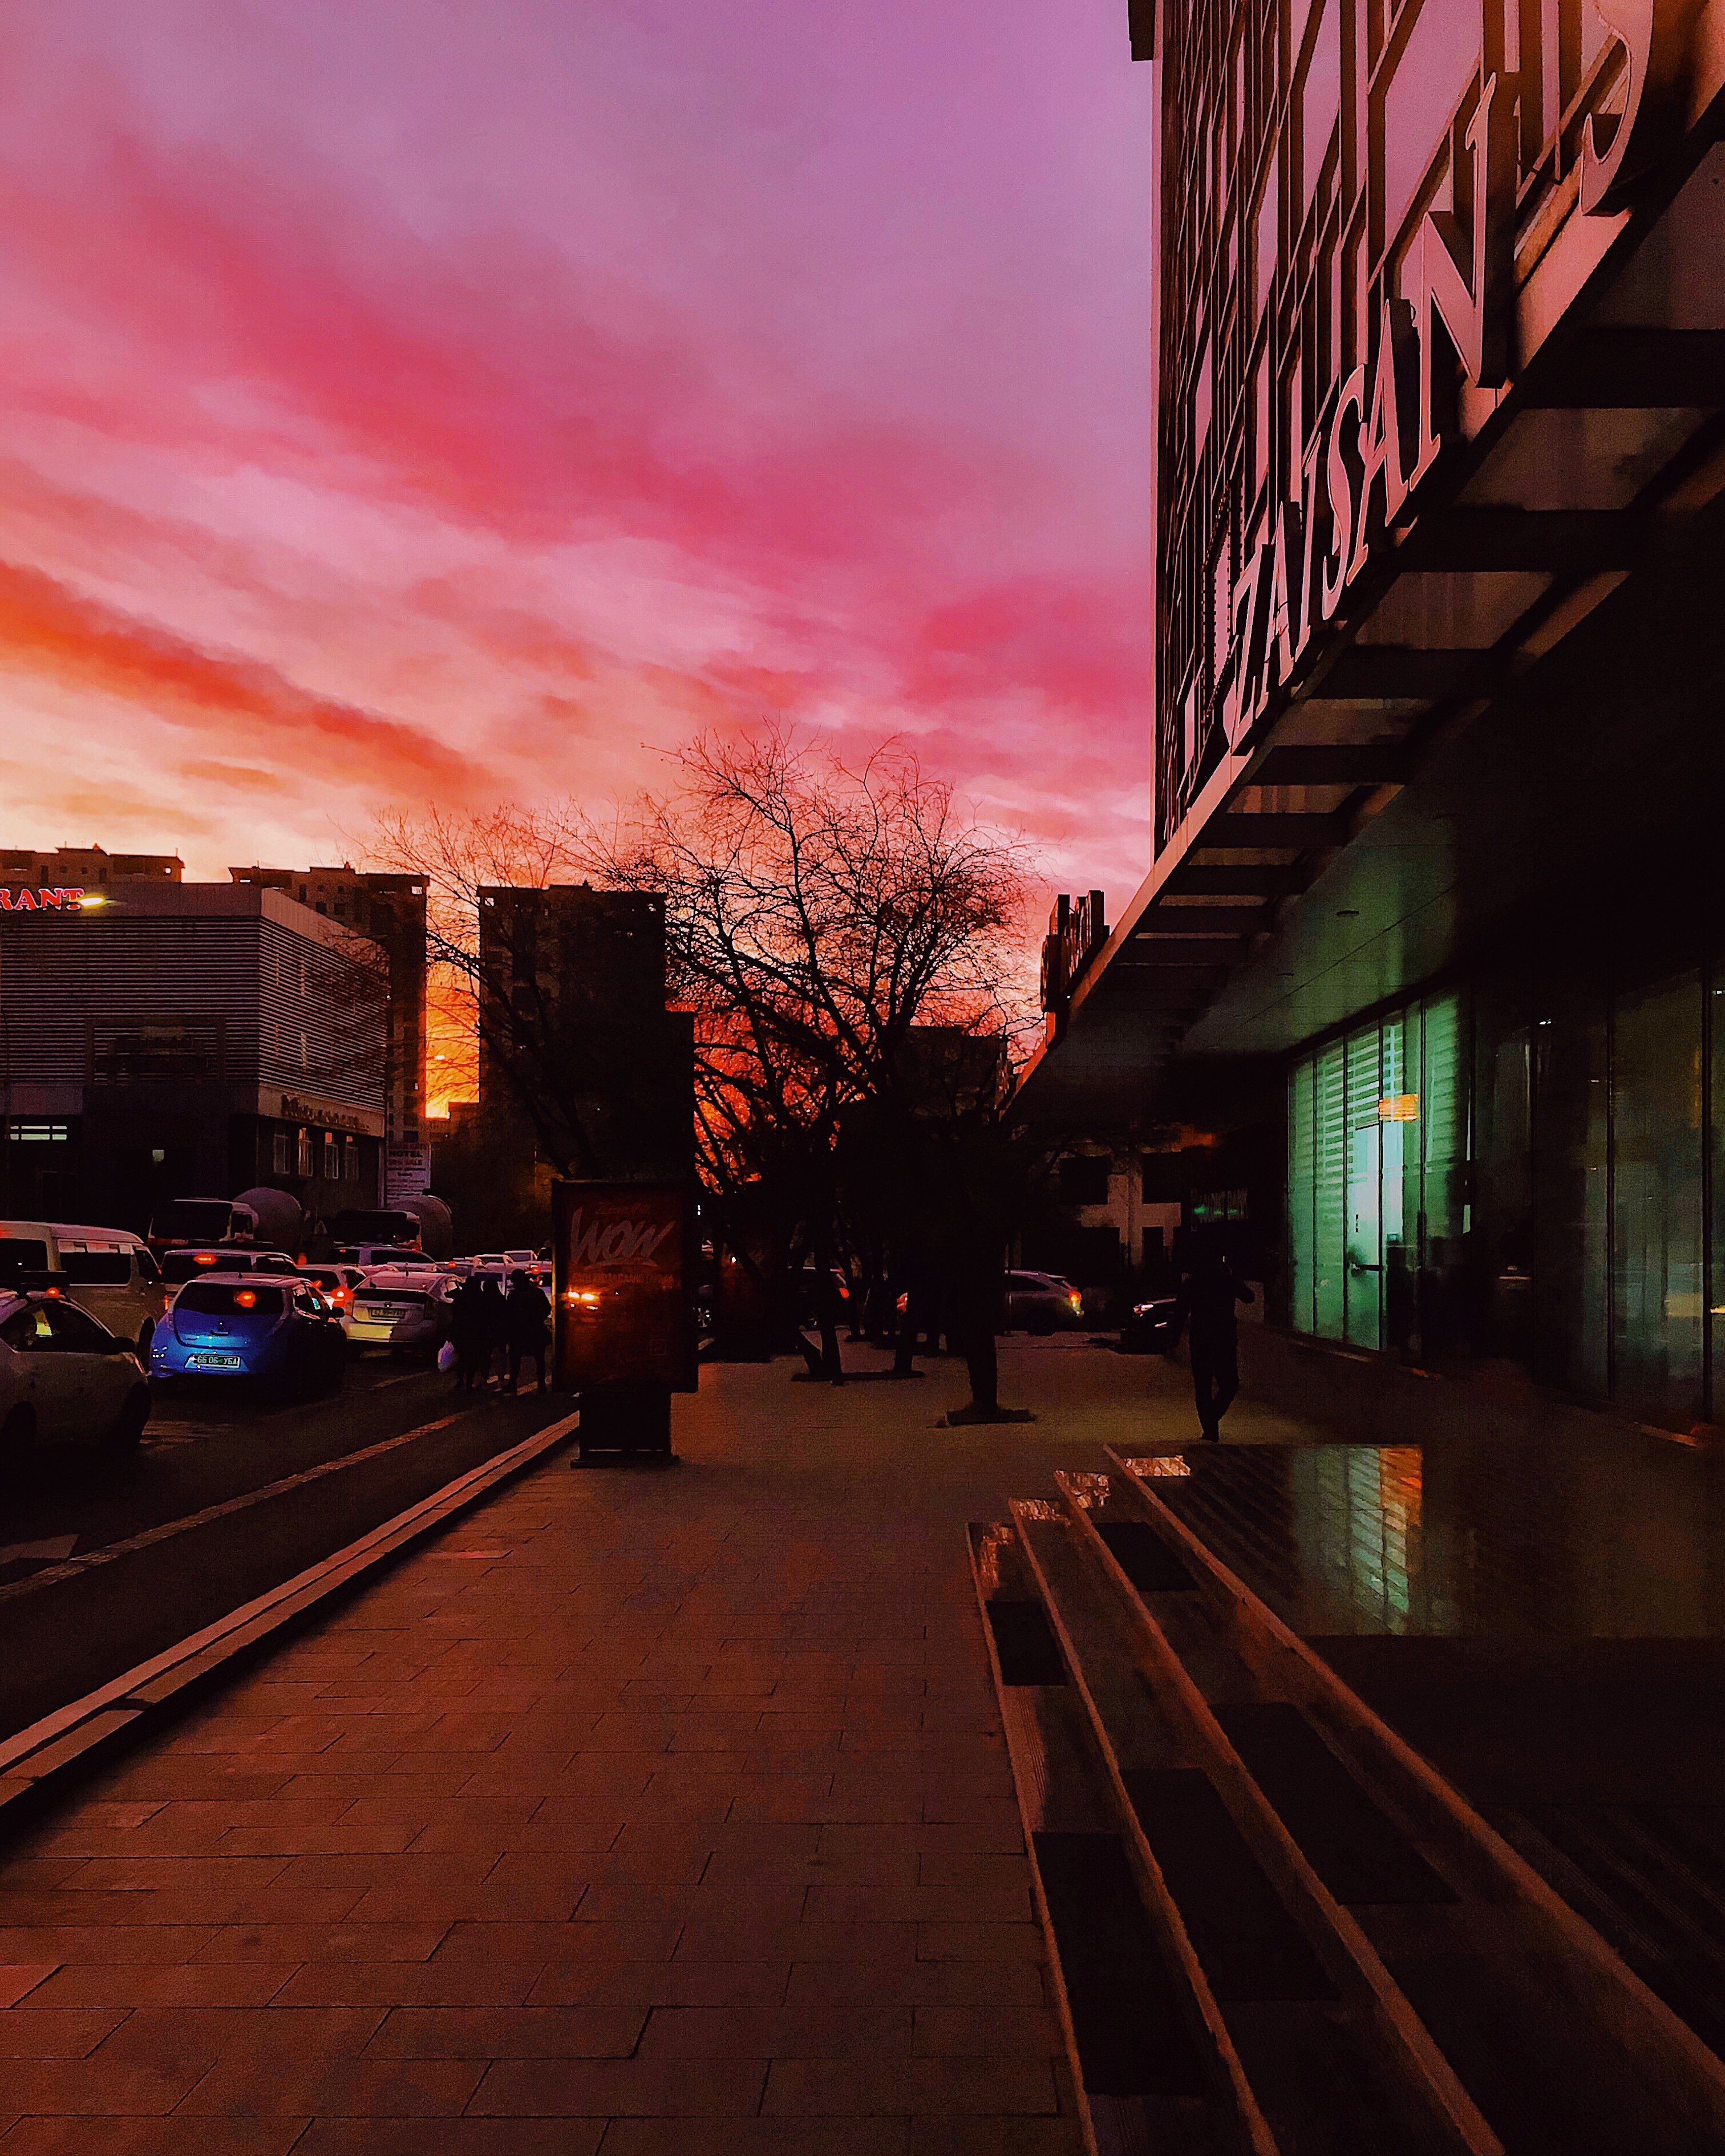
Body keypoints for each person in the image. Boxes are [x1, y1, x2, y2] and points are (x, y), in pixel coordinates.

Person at [1172, 1241, 1255, 1442]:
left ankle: (1210, 1428)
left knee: (1203, 1387)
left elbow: (1180, 1312)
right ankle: (1211, 1424)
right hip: (1223, 1338)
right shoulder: (1226, 1279)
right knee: (1230, 1385)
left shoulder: (1193, 1282)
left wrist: (1173, 1339)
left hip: (1200, 1339)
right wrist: (1234, 1275)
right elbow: (1249, 1297)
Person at [504, 1269, 552, 1395]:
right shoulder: (537, 1293)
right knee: (539, 1359)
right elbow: (547, 1309)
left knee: (516, 1360)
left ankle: (513, 1383)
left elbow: (509, 1314)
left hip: (520, 1332)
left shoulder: (515, 1296)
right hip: (534, 1330)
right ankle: (541, 1384)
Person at [447, 1274, 489, 1393]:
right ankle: (469, 1382)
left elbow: (455, 1314)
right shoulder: (481, 1298)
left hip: (461, 1330)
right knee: (473, 1358)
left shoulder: (461, 1296)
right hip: (476, 1332)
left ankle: (461, 1380)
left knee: (462, 1357)